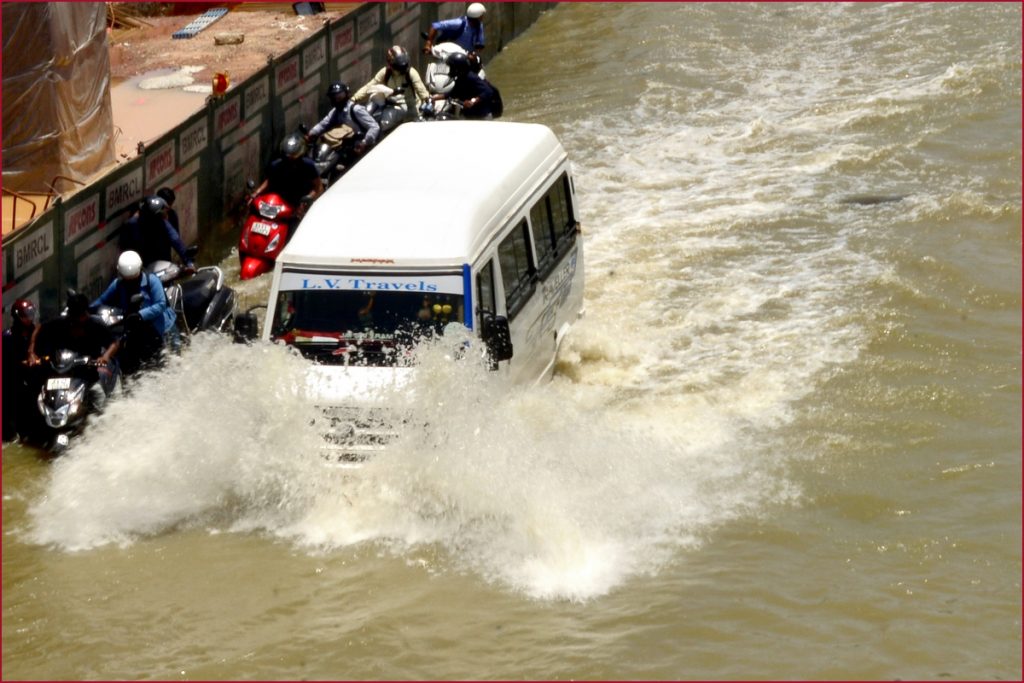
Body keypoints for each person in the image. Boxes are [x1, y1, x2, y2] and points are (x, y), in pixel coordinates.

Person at [26, 292, 119, 414]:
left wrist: (105, 356)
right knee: (34, 396)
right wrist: (31, 352)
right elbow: (39, 328)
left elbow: (114, 343)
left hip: (87, 373)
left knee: (99, 403)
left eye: (79, 315)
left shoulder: (96, 325)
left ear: (85, 313)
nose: (76, 319)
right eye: (73, 315)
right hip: (61, 372)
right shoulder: (61, 322)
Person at [92, 250, 177, 369]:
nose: (130, 281)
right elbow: (102, 300)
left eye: (133, 278)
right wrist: (86, 310)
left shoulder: (151, 281)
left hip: (160, 329)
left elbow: (161, 304)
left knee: (173, 362)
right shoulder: (118, 284)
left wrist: (140, 315)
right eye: (127, 278)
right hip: (136, 330)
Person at [306, 82, 381, 160]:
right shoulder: (335, 112)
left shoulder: (355, 109)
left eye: (340, 96)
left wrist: (364, 143)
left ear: (346, 94)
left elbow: (374, 127)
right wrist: (310, 134)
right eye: (334, 97)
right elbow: (323, 124)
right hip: (344, 150)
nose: (337, 99)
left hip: (361, 147)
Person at [252, 133, 324, 214]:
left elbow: (318, 187)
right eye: (287, 158)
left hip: (299, 204)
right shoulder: (276, 165)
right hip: (279, 204)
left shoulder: (308, 166)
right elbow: (269, 181)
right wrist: (256, 193)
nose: (290, 162)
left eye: (293, 158)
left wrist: (306, 202)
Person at [352, 46, 431, 119]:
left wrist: (428, 102)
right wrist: (354, 98)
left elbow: (422, 91)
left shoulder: (411, 72)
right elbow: (369, 86)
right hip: (393, 107)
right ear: (391, 62)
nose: (403, 65)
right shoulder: (385, 72)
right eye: (399, 62)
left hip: (412, 110)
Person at [119, 195, 195, 270]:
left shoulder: (164, 224)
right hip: (140, 266)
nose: (164, 217)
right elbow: (125, 248)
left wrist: (189, 262)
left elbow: (176, 241)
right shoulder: (131, 225)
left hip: (162, 263)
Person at [3, 299, 39, 441]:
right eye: (27, 315)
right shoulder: (8, 337)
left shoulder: (35, 332)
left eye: (32, 313)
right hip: (12, 384)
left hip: (31, 382)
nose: (30, 318)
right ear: (18, 317)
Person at [437, 51, 498, 120]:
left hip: (481, 116)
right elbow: (453, 93)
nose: (450, 70)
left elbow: (488, 91)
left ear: (458, 68)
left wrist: (473, 101)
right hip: (468, 115)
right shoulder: (460, 78)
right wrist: (434, 98)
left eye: (452, 67)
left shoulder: (471, 77)